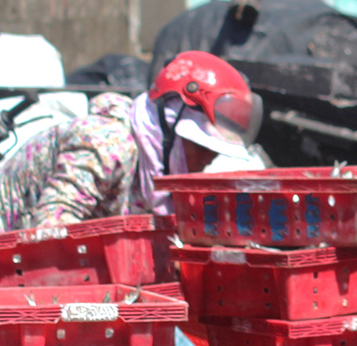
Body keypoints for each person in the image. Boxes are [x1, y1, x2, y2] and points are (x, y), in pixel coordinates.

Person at [0, 52, 265, 230]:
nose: (208, 159)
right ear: (169, 125)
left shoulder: (152, 169)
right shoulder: (107, 143)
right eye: (201, 147)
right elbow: (50, 227)